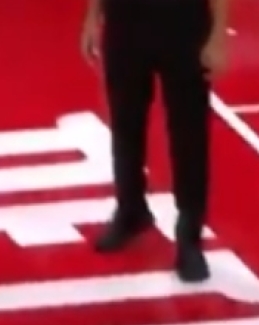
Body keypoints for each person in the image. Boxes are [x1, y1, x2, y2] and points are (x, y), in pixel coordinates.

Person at [79, 0, 230, 282]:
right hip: (125, 20)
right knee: (125, 123)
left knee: (189, 134)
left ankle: (189, 236)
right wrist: (92, 17)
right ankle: (131, 210)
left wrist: (218, 35)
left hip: (183, 22)